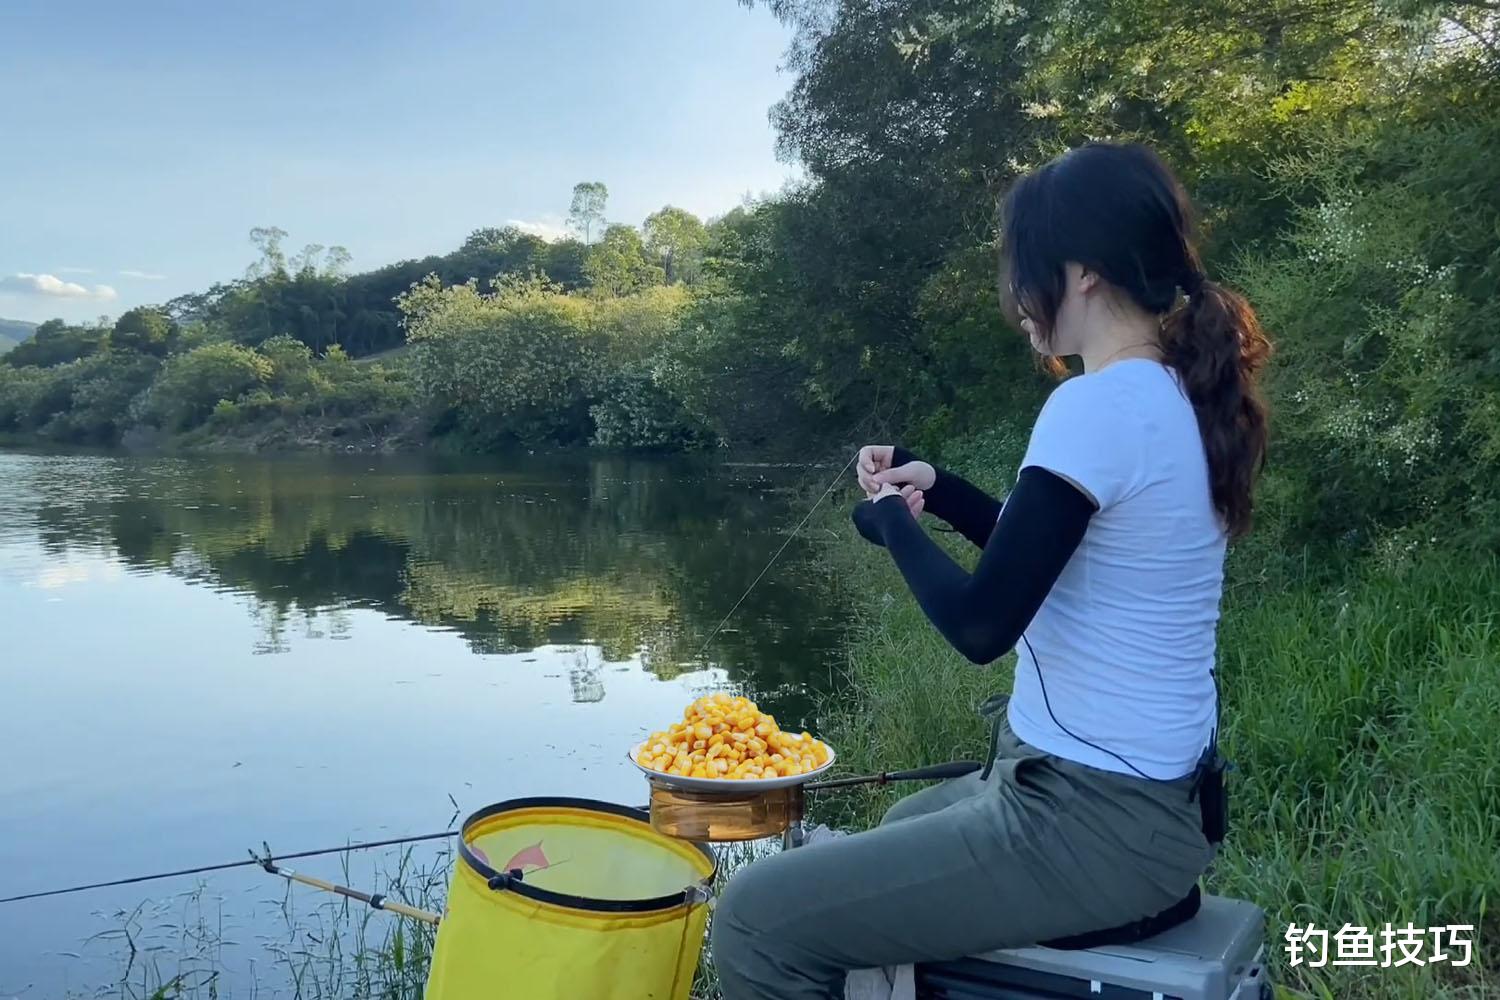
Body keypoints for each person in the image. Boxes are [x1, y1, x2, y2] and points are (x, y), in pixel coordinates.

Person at [709, 141, 1273, 1000]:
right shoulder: (1175, 393)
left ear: (1081, 272)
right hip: (1149, 810)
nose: (1017, 298)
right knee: (902, 822)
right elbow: (1046, 551)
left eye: (1024, 271)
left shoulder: (1093, 403)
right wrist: (937, 491)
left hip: (1095, 822)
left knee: (753, 917)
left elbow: (982, 625)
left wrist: (891, 530)